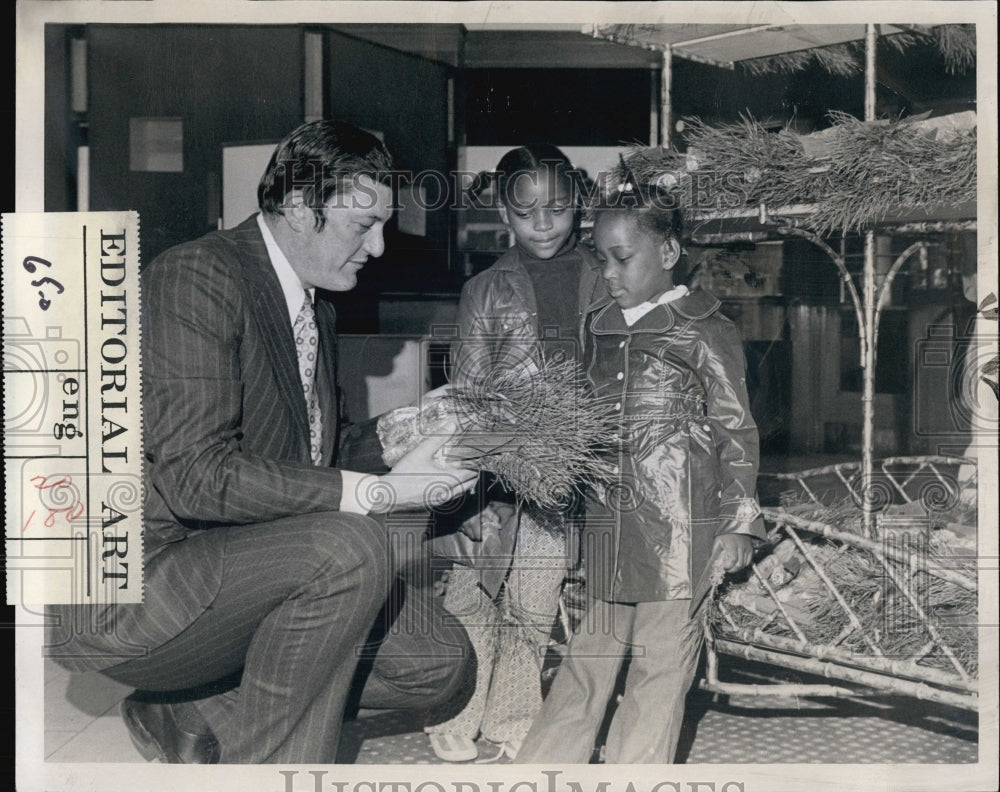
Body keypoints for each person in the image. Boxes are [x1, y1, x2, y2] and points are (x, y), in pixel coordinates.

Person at [44, 120, 477, 764]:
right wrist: (382, 493)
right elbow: (196, 476)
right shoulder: (197, 276)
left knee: (441, 664)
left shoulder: (314, 304)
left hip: (239, 562)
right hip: (141, 585)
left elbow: (304, 459)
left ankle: (191, 703)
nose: (380, 247)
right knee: (352, 544)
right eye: (364, 226)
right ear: (301, 209)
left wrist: (400, 430)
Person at [517, 183, 766, 764]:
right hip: (610, 525)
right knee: (586, 661)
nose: (608, 272)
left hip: (683, 533)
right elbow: (582, 415)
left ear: (671, 252)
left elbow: (738, 432)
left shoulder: (707, 330)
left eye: (622, 259)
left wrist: (739, 524)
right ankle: (543, 769)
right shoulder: (599, 326)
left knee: (658, 673)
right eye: (600, 259)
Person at [424, 144, 606, 762]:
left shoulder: (605, 273)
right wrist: (471, 481)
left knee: (533, 592)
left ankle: (514, 715)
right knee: (476, 589)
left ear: (578, 201)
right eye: (527, 212)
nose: (545, 223)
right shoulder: (486, 287)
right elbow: (469, 391)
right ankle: (454, 710)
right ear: (504, 211)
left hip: (571, 463)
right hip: (501, 460)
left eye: (557, 208)